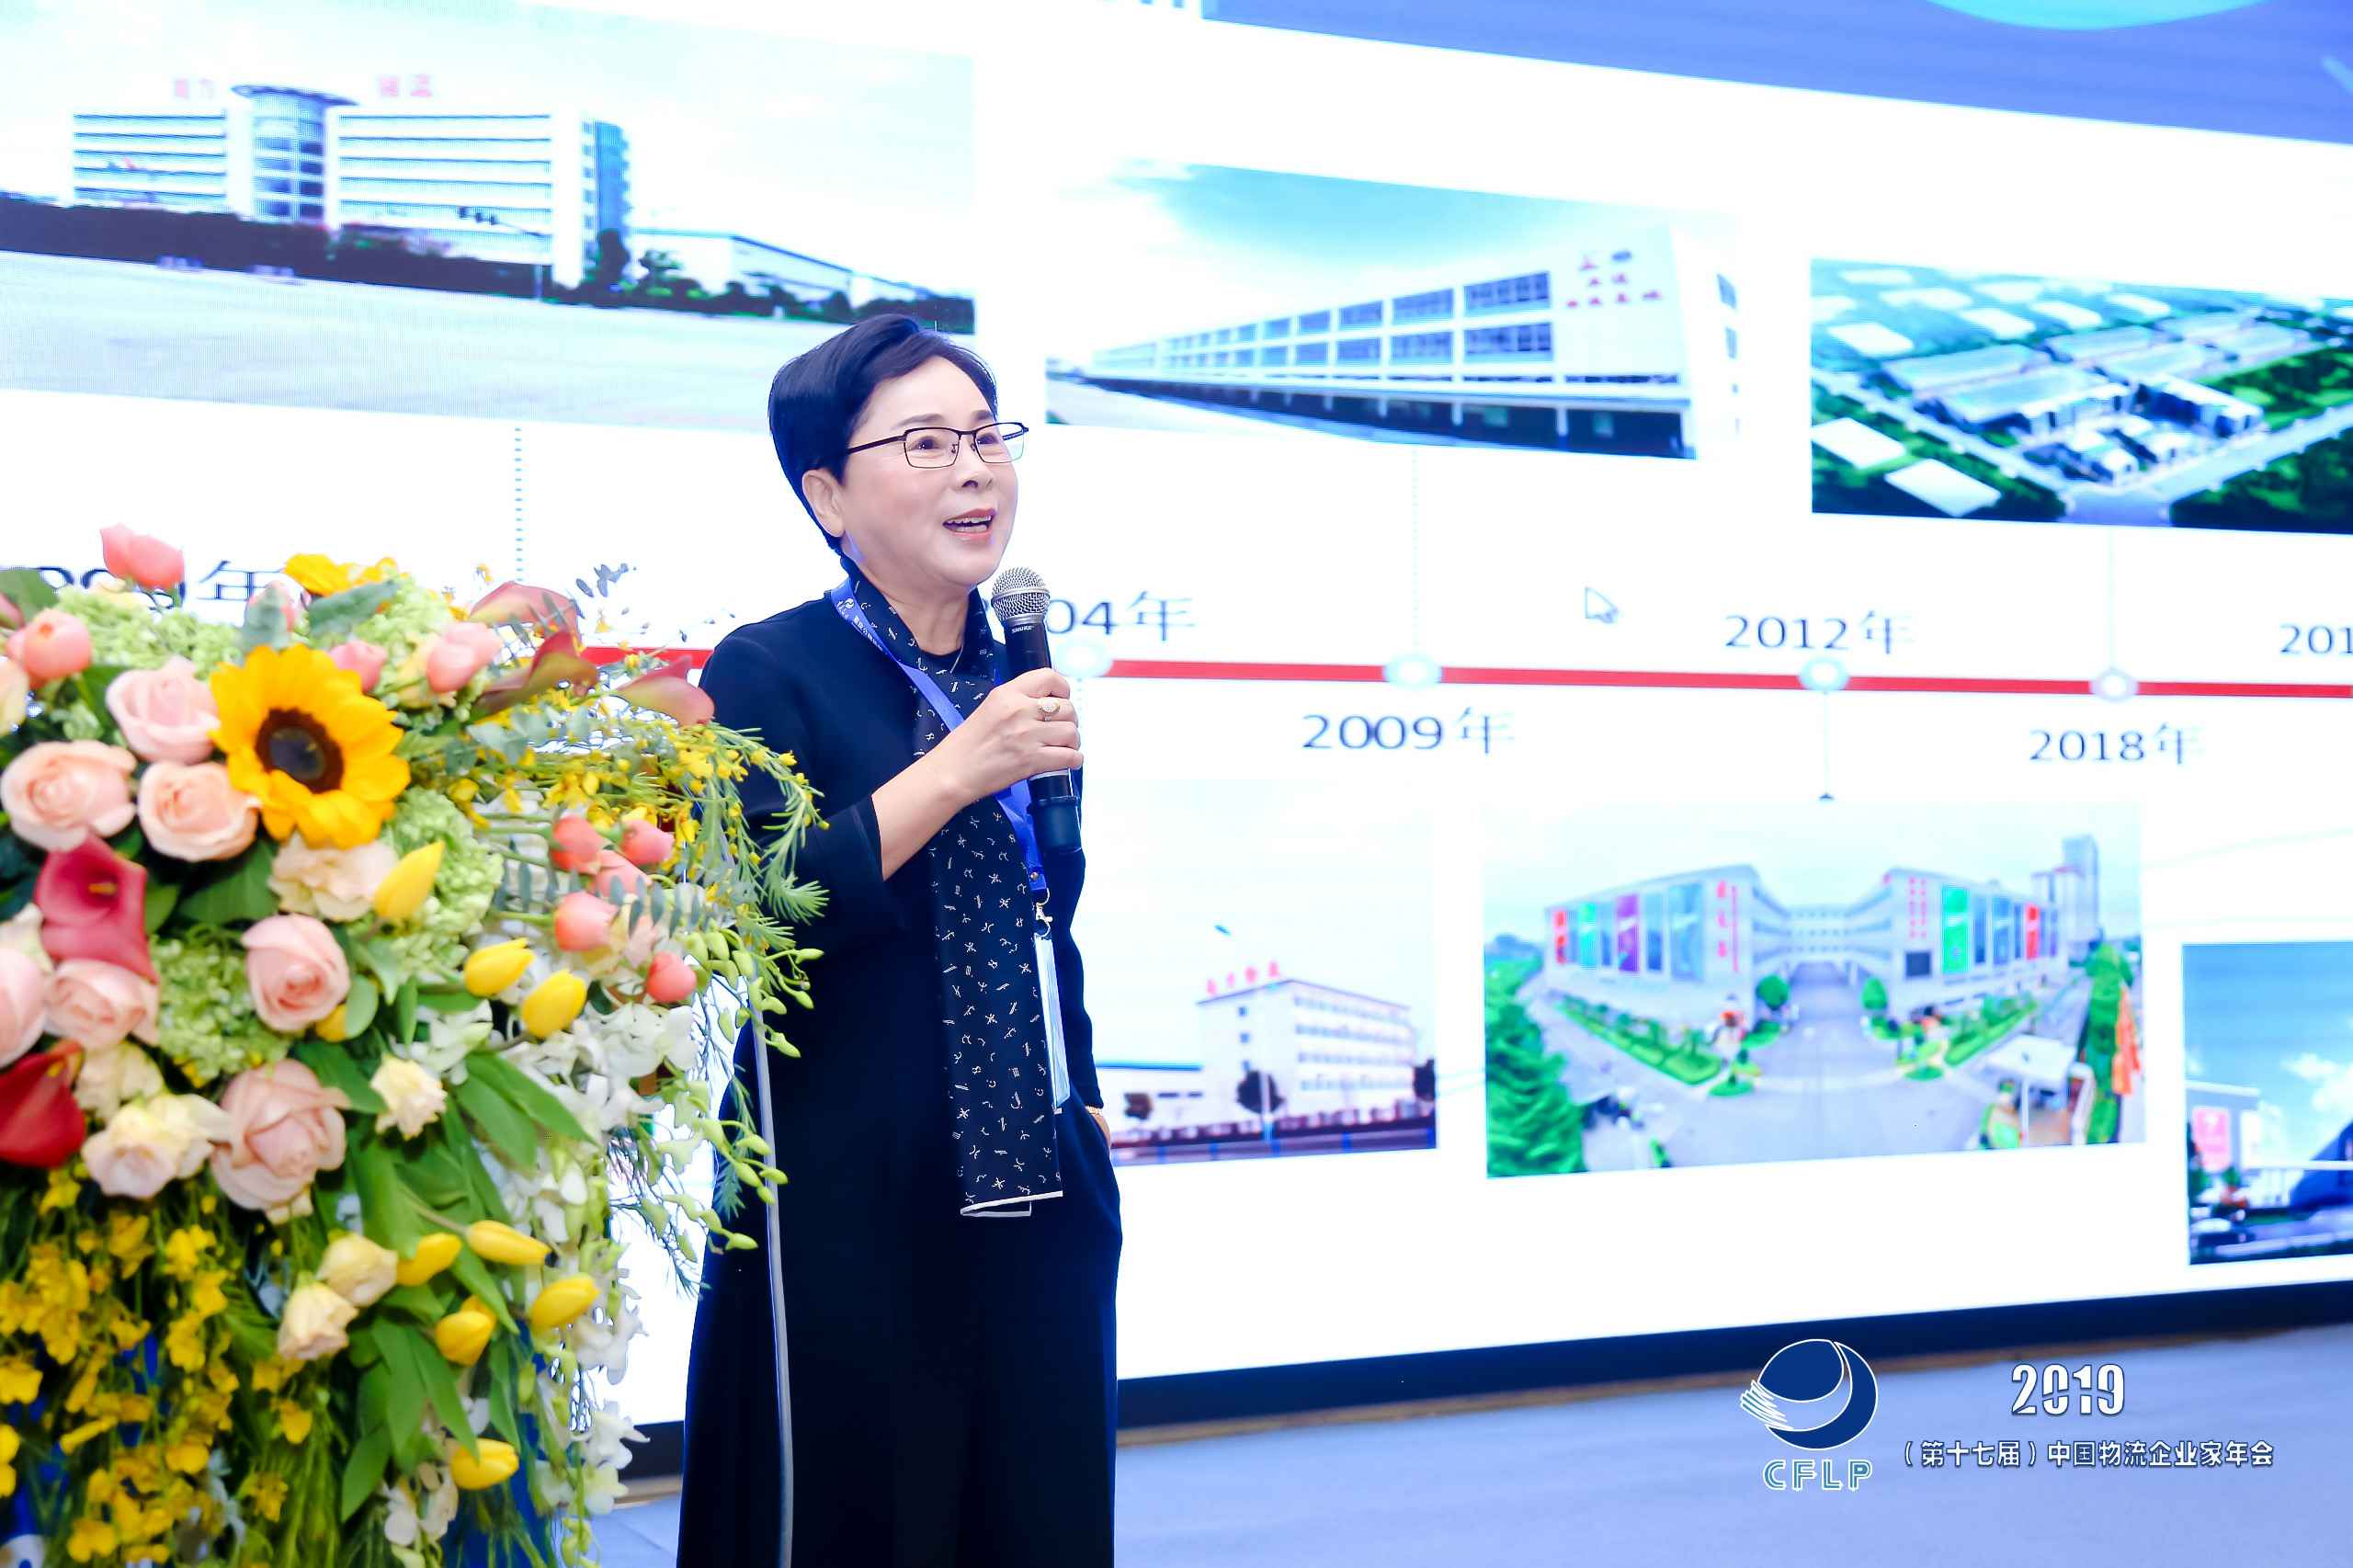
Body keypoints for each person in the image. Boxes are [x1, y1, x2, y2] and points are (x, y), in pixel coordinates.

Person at [678, 315, 1121, 1567]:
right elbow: (759, 906)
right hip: (847, 1187)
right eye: (927, 443)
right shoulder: (768, 669)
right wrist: (954, 770)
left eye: (988, 437)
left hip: (1035, 1171)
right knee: (866, 1521)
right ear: (828, 495)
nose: (975, 470)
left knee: (1039, 1517)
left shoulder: (1013, 666)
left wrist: (1085, 1101)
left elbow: (1048, 909)